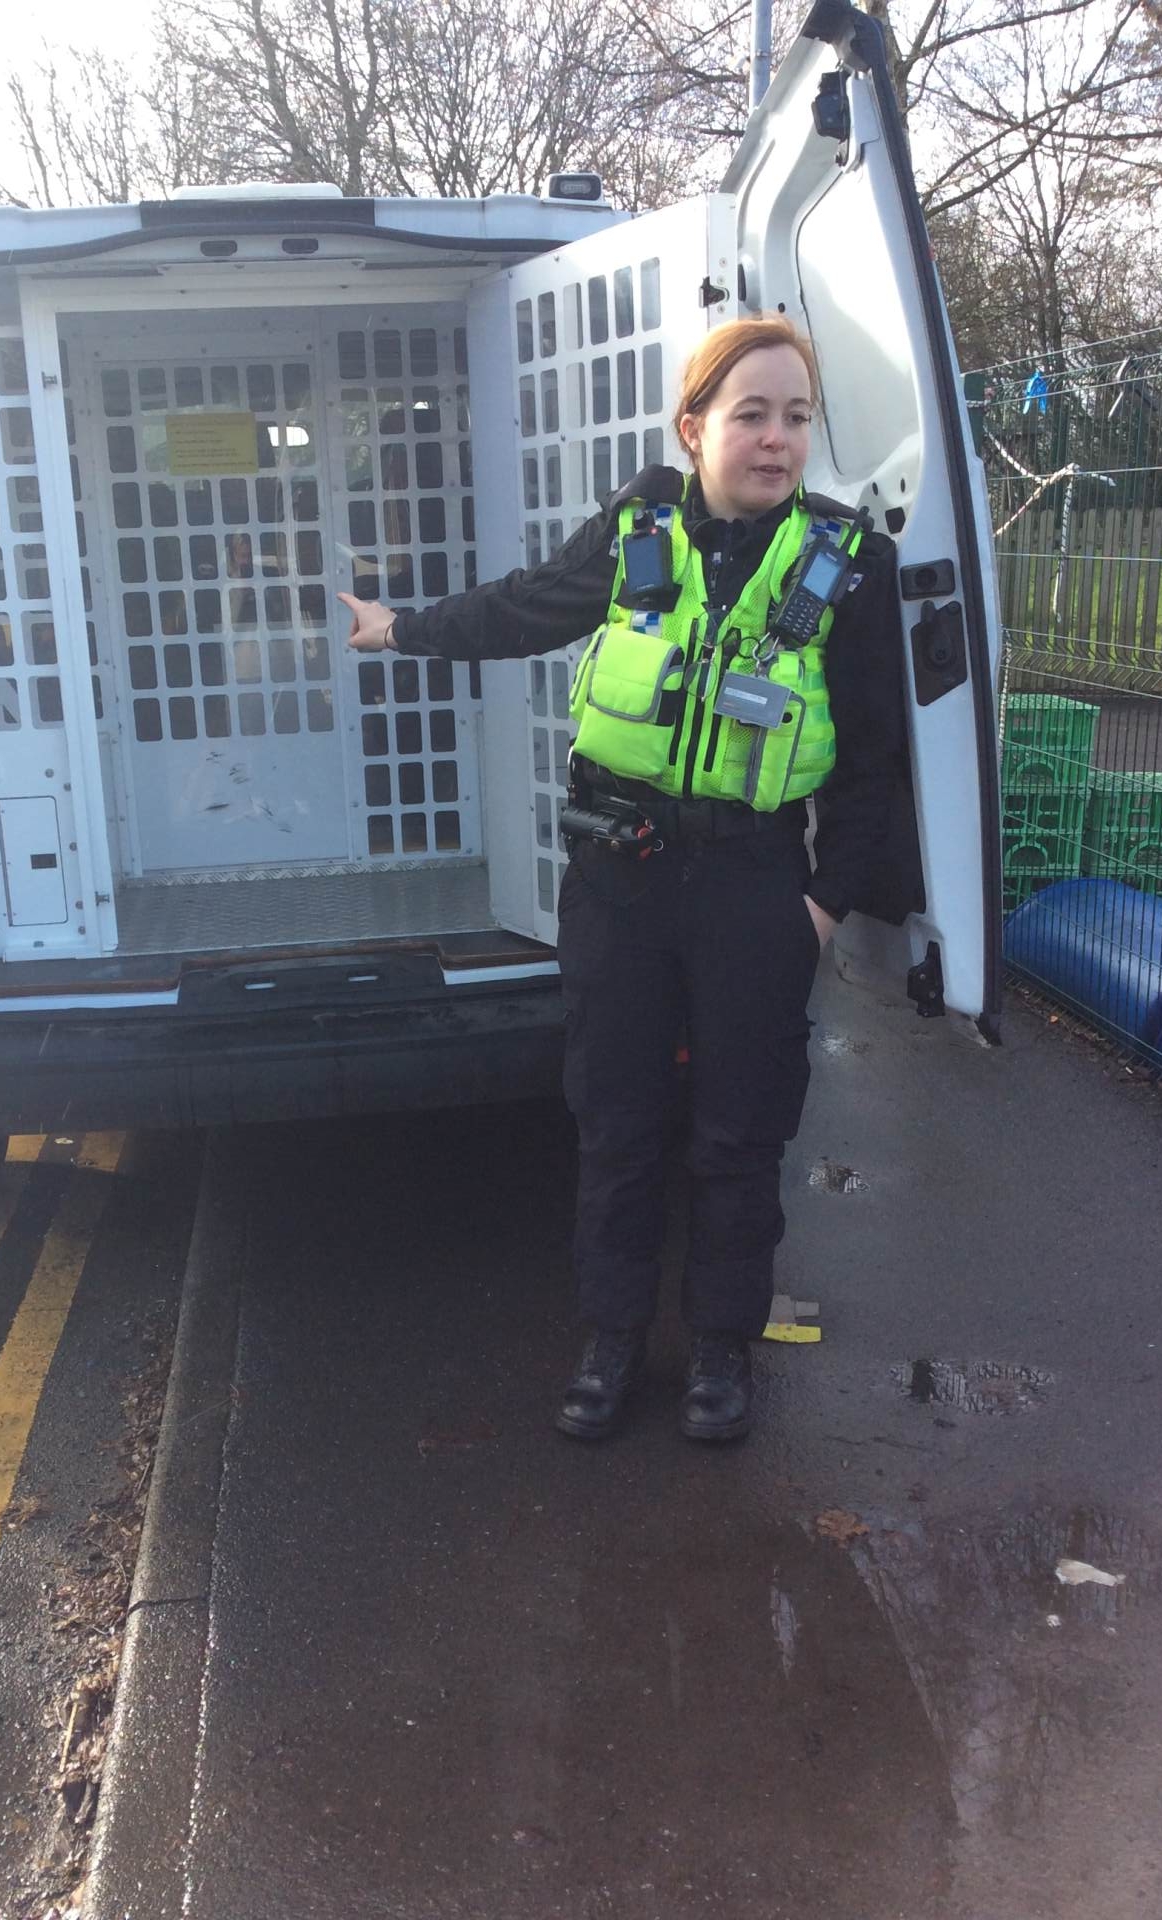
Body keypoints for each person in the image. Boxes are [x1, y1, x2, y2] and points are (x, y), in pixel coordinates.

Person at [338, 315, 904, 1445]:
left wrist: (821, 904)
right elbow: (529, 604)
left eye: (797, 418)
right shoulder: (640, 529)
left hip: (754, 884)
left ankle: (721, 1351)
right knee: (617, 1124)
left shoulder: (843, 565)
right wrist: (403, 629)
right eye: (753, 414)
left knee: (741, 1134)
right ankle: (610, 1342)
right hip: (621, 877)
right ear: (694, 428)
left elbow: (876, 761)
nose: (778, 439)